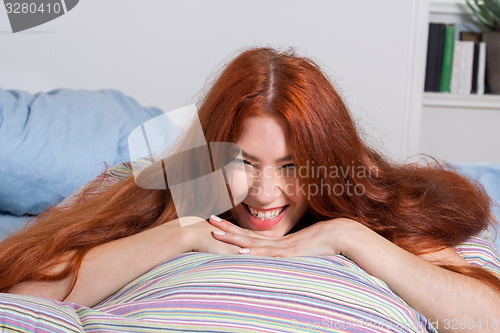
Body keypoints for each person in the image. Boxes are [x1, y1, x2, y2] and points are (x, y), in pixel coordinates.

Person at [0, 47, 499, 331]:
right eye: (242, 161)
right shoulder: (146, 186)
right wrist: (183, 235)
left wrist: (349, 236)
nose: (265, 192)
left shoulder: (380, 210)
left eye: (292, 165)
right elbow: (20, 294)